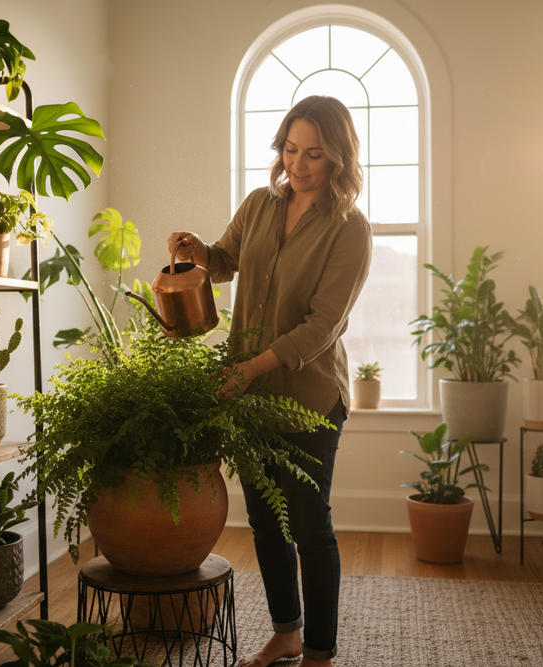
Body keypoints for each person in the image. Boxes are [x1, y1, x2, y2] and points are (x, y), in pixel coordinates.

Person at [167, 95, 372, 667]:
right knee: (264, 520)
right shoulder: (260, 203)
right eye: (290, 148)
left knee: (309, 526)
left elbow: (323, 326)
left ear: (337, 157)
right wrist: (198, 251)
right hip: (250, 396)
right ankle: (286, 633)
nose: (298, 163)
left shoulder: (350, 229)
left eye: (314, 153)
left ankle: (320, 652)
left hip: (309, 398)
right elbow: (225, 260)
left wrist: (250, 368)